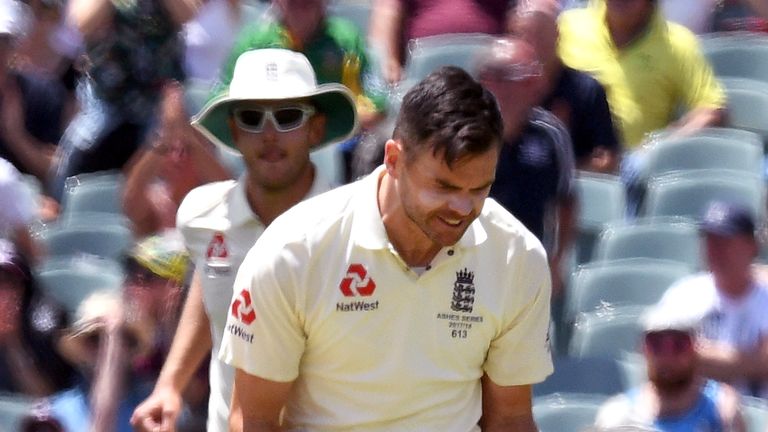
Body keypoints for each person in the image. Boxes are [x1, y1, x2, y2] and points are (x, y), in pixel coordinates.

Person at [220, 66, 553, 431]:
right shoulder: (292, 252)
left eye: (479, 189)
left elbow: (510, 418)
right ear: (393, 159)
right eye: (442, 186)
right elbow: (253, 419)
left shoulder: (517, 258)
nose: (462, 208)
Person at [130, 48, 358, 432]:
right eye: (252, 118)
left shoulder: (352, 228)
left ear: (315, 129)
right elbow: (212, 288)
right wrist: (169, 385)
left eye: (287, 117)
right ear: (234, 132)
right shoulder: (201, 215)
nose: (269, 134)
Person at [49, 0, 198, 200]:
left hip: (158, 98)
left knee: (166, 156)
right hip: (107, 97)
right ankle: (60, 207)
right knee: (75, 150)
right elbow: (83, 23)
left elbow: (189, 16)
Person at [476, 37, 576, 300]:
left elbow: (566, 200)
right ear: (489, 81)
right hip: (469, 260)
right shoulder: (462, 135)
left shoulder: (551, 134)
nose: (537, 83)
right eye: (522, 76)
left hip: (528, 264)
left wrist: (558, 261)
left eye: (535, 75)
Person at [557, 0, 726, 149]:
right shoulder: (567, 27)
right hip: (571, 163)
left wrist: (663, 146)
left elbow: (711, 110)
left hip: (636, 172)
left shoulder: (677, 44)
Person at [656, 200, 768, 399]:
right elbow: (662, 357)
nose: (714, 251)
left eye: (725, 241)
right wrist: (751, 360)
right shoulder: (685, 294)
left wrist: (696, 353)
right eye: (709, 240)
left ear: (752, 246)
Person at [594, 302, 745, 431]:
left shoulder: (721, 410)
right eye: (656, 344)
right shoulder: (619, 415)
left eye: (678, 344)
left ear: (695, 348)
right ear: (643, 349)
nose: (667, 355)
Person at [510, 0, 621, 173]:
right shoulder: (505, 91)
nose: (534, 45)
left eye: (541, 34)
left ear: (557, 35)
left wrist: (556, 177)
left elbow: (607, 158)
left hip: (573, 192)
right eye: (524, 36)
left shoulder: (587, 90)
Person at [121, 82, 231, 237]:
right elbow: (130, 199)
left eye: (185, 150)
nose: (176, 158)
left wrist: (190, 139)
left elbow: (227, 187)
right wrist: (165, 137)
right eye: (169, 150)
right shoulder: (156, 202)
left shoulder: (213, 202)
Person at [369, 0, 515, 84]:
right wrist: (388, 62)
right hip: (424, 75)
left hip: (491, 72)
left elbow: (524, 15)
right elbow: (388, 10)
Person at [0, 238, 75, 396]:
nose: (4, 291)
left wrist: (13, 341)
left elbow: (45, 399)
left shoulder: (46, 326)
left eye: (8, 281)